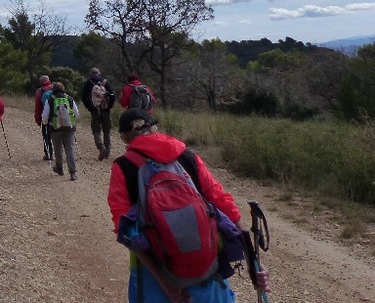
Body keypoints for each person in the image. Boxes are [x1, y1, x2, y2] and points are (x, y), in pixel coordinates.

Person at [108, 109, 272, 303]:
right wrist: (254, 262)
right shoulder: (187, 158)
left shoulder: (123, 167)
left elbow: (127, 231)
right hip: (206, 269)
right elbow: (223, 202)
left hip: (154, 276)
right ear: (154, 128)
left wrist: (167, 286)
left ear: (125, 138)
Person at [40, 82, 80, 180]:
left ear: (53, 90)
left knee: (58, 148)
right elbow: (77, 113)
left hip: (55, 128)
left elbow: (44, 116)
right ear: (63, 89)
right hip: (69, 127)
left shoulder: (50, 99)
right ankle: (73, 172)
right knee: (69, 148)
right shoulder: (69, 98)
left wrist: (45, 123)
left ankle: (59, 167)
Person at [81, 67, 115, 160]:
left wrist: (89, 107)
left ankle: (101, 147)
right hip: (106, 110)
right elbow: (112, 96)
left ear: (91, 74)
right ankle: (107, 151)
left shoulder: (88, 83)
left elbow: (84, 97)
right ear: (99, 73)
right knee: (107, 131)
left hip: (95, 110)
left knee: (96, 130)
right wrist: (109, 106)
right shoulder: (105, 82)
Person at [33, 74, 55, 160]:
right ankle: (61, 154)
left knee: (47, 137)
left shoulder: (40, 91)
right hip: (59, 116)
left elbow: (38, 108)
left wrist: (38, 120)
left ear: (40, 82)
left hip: (46, 117)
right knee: (59, 136)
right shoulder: (56, 87)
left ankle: (48, 154)